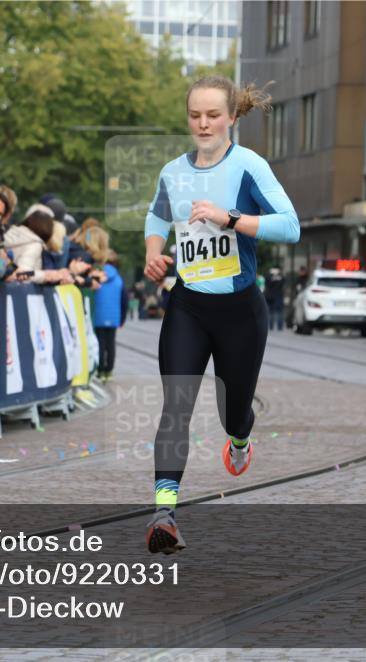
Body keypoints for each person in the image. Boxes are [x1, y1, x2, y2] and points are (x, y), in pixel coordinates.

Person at [142, 75, 299, 554]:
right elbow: (156, 216)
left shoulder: (248, 165)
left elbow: (289, 226)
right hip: (188, 305)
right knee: (176, 407)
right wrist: (154, 251)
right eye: (195, 115)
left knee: (234, 412)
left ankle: (239, 438)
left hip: (239, 312)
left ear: (232, 116)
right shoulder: (173, 171)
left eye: (213, 115)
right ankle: (164, 512)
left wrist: (229, 218)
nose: (203, 123)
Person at [93, 249, 125, 382]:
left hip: (98, 316)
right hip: (113, 318)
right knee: (110, 344)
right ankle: (109, 370)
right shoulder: (119, 279)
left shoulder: (96, 276)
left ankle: (100, 370)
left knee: (99, 343)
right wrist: (122, 319)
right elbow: (124, 300)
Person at [264, 267, 285, 331]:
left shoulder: (270, 277)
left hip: (272, 296)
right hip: (277, 296)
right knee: (278, 312)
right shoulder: (280, 278)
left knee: (273, 312)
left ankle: (272, 326)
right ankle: (278, 327)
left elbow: (266, 283)